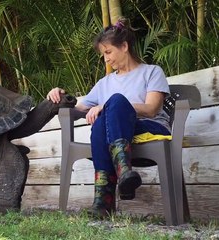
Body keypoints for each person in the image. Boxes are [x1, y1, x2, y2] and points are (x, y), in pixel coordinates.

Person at [47, 17, 171, 217]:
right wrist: (61, 96)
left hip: (151, 128)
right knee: (100, 122)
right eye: (103, 54)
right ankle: (119, 180)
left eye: (108, 52)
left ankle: (107, 194)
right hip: (117, 134)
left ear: (124, 46)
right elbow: (79, 107)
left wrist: (107, 104)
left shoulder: (152, 72)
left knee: (114, 103)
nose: (105, 59)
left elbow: (151, 109)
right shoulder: (105, 82)